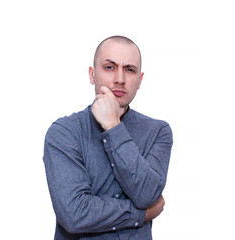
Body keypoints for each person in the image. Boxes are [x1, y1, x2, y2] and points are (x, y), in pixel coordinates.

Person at [43, 35, 173, 240]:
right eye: (110, 67)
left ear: (139, 80)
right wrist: (142, 214)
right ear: (92, 74)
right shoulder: (63, 132)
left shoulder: (158, 131)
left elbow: (147, 194)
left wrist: (113, 125)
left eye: (129, 69)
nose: (120, 79)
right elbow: (73, 215)